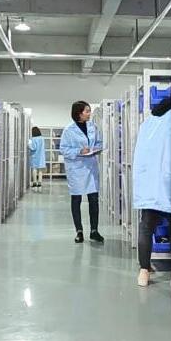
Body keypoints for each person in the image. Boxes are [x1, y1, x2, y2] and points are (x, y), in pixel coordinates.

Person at [132, 90, 171, 287]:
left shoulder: (149, 120)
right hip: (168, 180)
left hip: (148, 180)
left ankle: (144, 271)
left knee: (147, 226)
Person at [60, 100, 103, 244]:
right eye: (87, 111)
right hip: (76, 168)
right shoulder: (69, 130)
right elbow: (63, 149)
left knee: (93, 199)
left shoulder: (93, 127)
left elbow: (99, 142)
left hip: (91, 167)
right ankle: (79, 231)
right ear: (79, 113)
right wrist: (79, 151)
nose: (89, 114)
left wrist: (96, 149)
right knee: (76, 199)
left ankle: (94, 231)